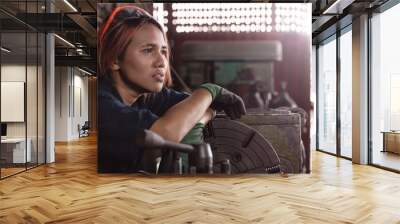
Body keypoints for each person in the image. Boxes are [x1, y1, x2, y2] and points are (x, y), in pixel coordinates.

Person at [97, 5, 246, 173]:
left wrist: (199, 117)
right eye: (148, 50)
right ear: (115, 60)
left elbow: (197, 106)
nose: (162, 62)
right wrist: (210, 91)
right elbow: (165, 134)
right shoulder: (101, 105)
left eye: (164, 51)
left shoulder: (147, 97)